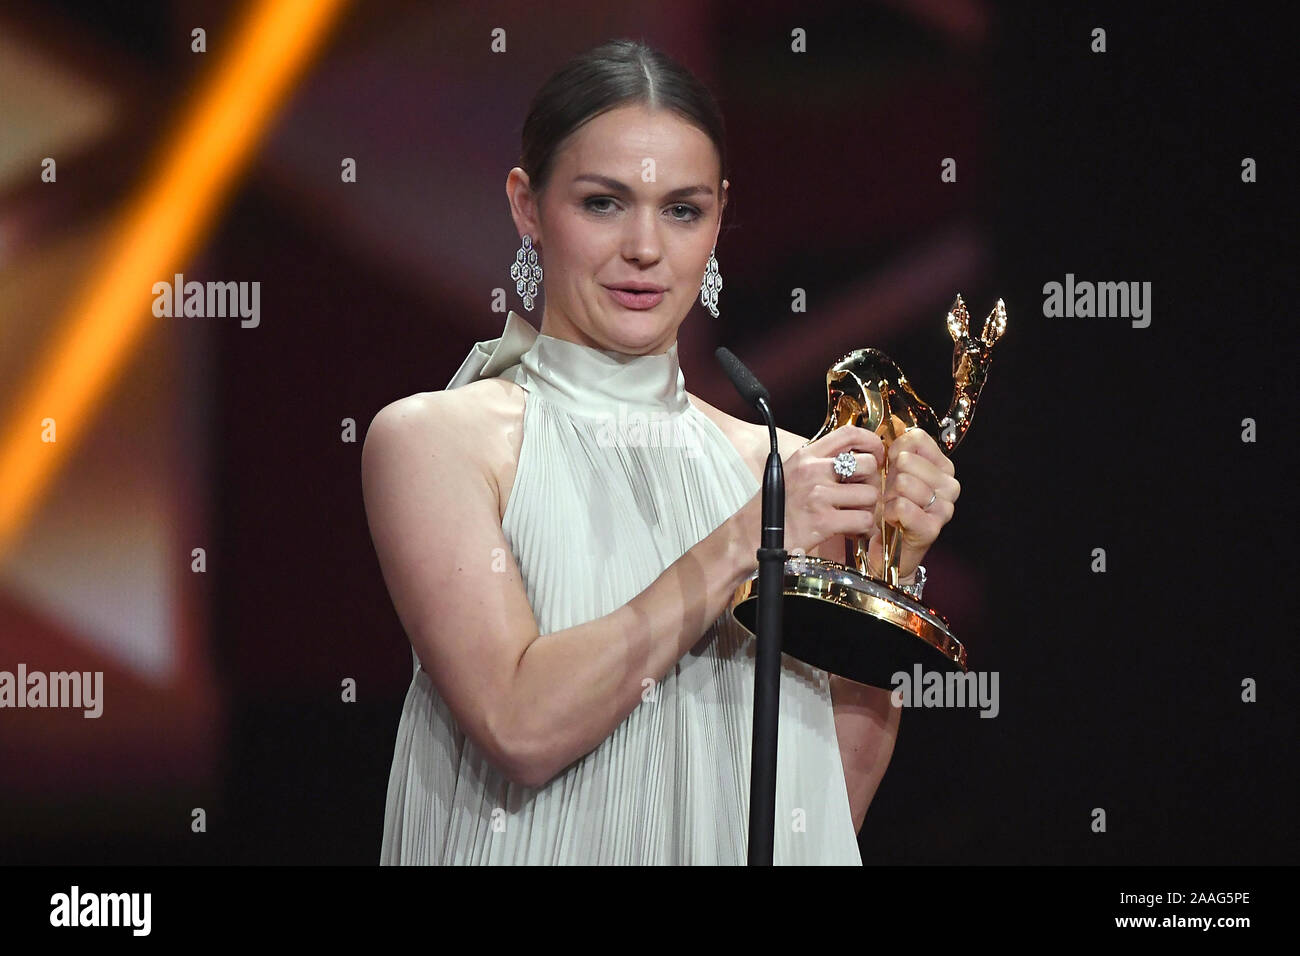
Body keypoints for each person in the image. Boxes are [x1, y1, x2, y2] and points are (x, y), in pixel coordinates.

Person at [362, 39, 960, 865]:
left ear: (718, 216)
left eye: (682, 209)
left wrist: (887, 576)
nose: (646, 247)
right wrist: (747, 542)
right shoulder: (437, 440)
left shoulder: (784, 469)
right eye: (604, 203)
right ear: (527, 206)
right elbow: (519, 725)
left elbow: (822, 814)